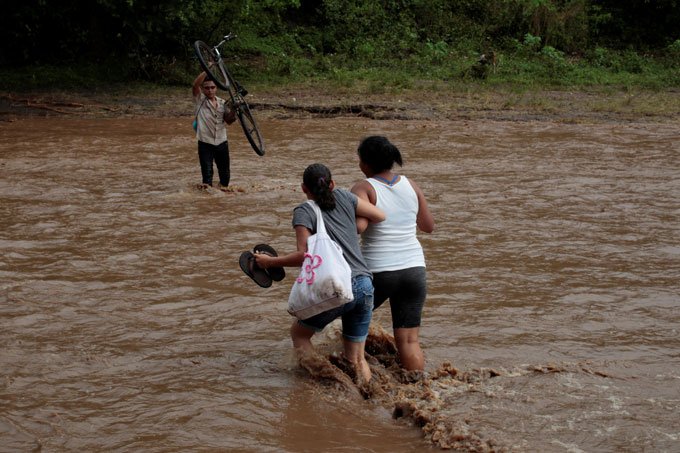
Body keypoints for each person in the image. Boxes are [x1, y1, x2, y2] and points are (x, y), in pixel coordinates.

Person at [254, 163, 385, 383]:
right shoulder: (345, 197)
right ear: (332, 184)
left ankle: (331, 382)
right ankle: (367, 401)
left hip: (337, 287)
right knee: (357, 359)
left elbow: (304, 256)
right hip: (365, 284)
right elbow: (379, 215)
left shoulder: (304, 211)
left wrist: (268, 262)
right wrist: (356, 227)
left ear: (304, 188)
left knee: (299, 334)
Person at [351, 136, 435, 371]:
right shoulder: (411, 185)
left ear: (365, 163)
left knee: (344, 322)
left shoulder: (363, 187)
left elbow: (360, 228)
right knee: (409, 340)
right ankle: (419, 391)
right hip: (414, 270)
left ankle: (357, 378)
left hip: (379, 271)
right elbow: (428, 226)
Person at [192, 71, 237, 190]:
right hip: (205, 143)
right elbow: (195, 85)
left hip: (222, 142)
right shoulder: (200, 100)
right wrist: (208, 69)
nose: (210, 90)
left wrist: (234, 110)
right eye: (207, 88)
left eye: (212, 87)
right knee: (207, 178)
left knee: (225, 177)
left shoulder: (222, 103)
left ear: (216, 88)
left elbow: (229, 121)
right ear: (203, 89)